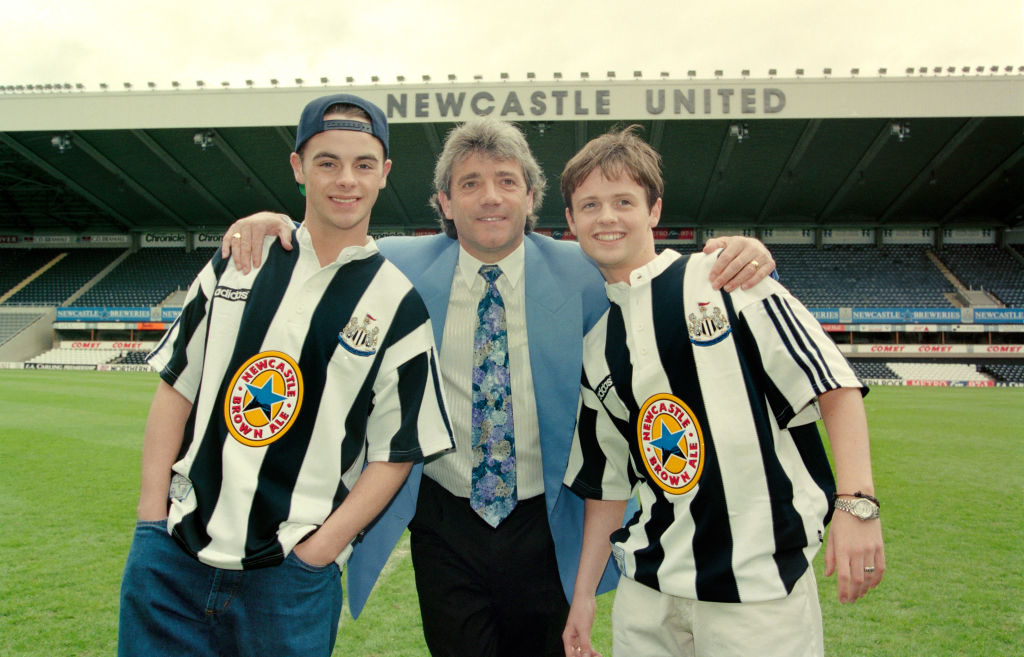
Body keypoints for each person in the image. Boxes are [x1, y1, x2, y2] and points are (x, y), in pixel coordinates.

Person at [220, 118, 776, 657]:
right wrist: (270, 224)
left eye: (507, 181)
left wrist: (741, 254)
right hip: (443, 516)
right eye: (470, 183)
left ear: (530, 197)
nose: (490, 197)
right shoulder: (397, 264)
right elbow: (324, 242)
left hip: (546, 512)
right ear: (445, 202)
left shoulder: (581, 269)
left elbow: (648, 264)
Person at [117, 94, 454, 657]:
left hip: (289, 582)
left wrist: (319, 551)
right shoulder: (239, 259)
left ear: (384, 174)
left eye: (363, 164)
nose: (346, 180)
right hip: (172, 561)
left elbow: (396, 451)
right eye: (327, 162)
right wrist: (151, 517)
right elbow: (177, 388)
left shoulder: (398, 305)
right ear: (297, 168)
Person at [558, 125, 885, 657]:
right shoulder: (597, 347)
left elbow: (833, 385)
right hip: (649, 593)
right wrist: (585, 597)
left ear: (654, 211)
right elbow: (608, 487)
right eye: (589, 205)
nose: (608, 217)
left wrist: (857, 505)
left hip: (757, 588)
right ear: (571, 222)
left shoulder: (726, 278)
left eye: (624, 200)